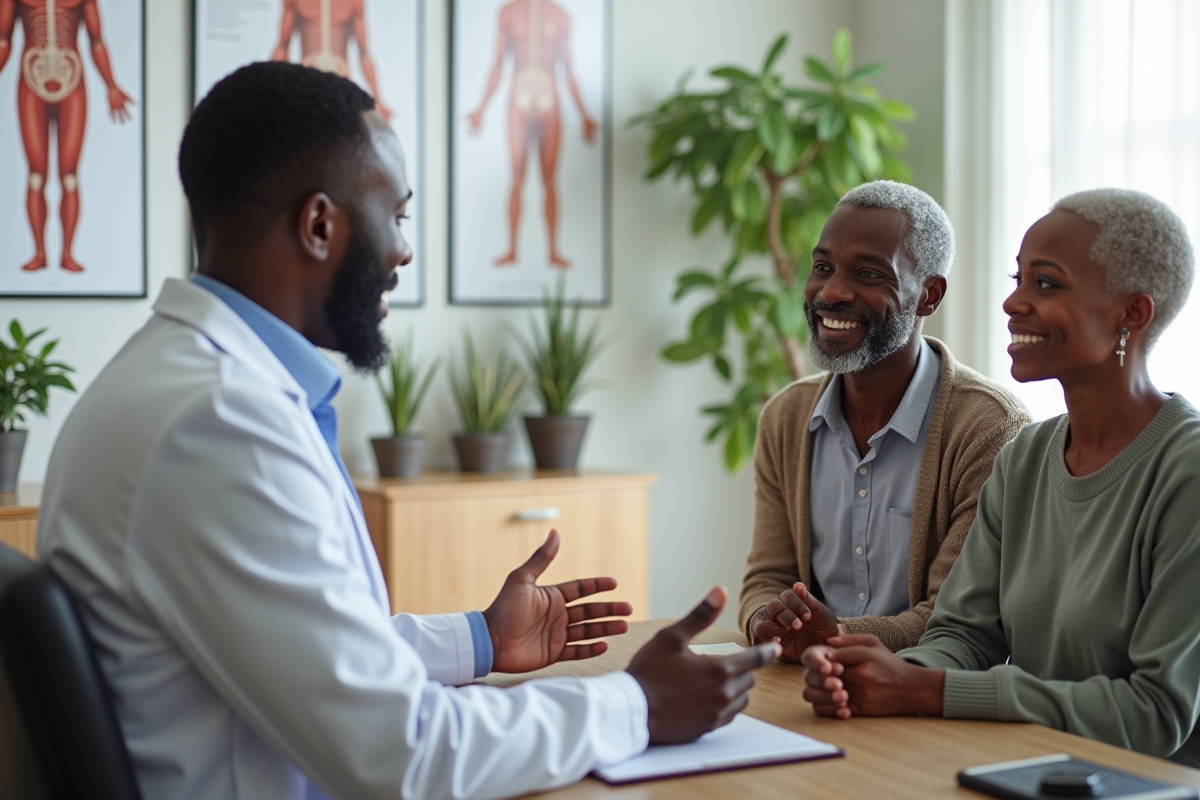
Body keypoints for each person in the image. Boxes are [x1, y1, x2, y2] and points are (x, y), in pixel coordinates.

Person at [36, 62, 778, 800]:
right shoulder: (222, 425)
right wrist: (636, 704)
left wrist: (481, 638)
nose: (404, 251)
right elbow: (402, 752)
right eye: (397, 215)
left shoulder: (177, 383)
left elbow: (307, 652)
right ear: (320, 225)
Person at [800, 188, 1200, 767]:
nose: (1013, 302)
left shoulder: (1186, 471)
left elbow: (1156, 713)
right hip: (1031, 769)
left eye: (1046, 284)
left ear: (1132, 314)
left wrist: (928, 689)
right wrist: (878, 675)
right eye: (1018, 279)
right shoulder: (1026, 457)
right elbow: (964, 635)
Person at [739, 181, 1030, 658]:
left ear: (929, 296)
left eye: (869, 274)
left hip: (917, 687)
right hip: (802, 679)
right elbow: (768, 577)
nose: (831, 291)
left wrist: (838, 635)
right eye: (822, 267)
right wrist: (766, 620)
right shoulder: (786, 418)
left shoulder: (990, 429)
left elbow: (957, 619)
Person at [0, 0, 135, 273]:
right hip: (32, 84)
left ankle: (67, 254)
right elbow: (3, 39)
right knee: (36, 175)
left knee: (69, 176)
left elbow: (97, 41)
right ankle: (39, 253)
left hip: (72, 86)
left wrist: (111, 85)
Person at [465, 0, 597, 267]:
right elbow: (497, 64)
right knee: (516, 178)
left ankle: (553, 252)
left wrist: (584, 114)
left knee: (550, 180)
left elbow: (569, 70)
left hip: (549, 94)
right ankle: (512, 250)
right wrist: (481, 107)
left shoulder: (560, 15)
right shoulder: (508, 12)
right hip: (519, 94)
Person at [271, 0, 391, 121]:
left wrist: (378, 100)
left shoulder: (354, 2)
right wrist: (271, 91)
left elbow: (364, 54)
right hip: (308, 82)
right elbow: (282, 47)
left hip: (341, 84)